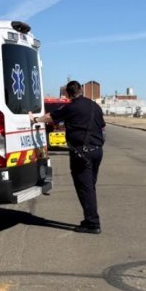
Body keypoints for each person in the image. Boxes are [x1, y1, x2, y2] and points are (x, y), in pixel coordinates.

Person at [30, 80, 105, 234]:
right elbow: (101, 125)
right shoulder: (95, 106)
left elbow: (51, 117)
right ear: (81, 91)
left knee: (85, 188)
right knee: (90, 185)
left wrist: (35, 119)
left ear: (68, 93)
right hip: (97, 151)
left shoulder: (71, 107)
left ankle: (92, 223)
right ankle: (89, 218)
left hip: (82, 153)